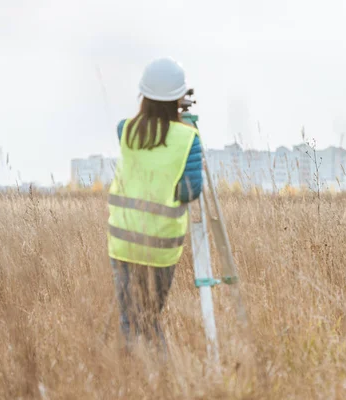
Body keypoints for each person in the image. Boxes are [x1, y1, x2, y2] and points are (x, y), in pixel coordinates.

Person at [107, 57, 203, 356]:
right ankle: (159, 376)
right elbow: (190, 191)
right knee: (149, 317)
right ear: (180, 98)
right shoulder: (188, 138)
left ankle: (134, 375)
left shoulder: (126, 130)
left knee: (129, 318)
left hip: (122, 243)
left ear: (143, 95)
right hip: (160, 246)